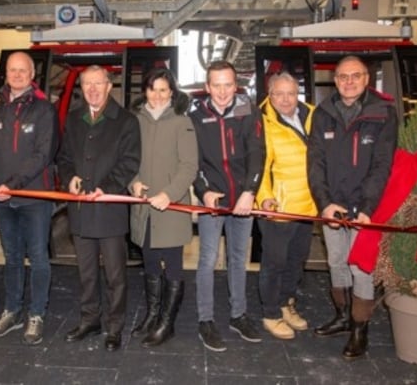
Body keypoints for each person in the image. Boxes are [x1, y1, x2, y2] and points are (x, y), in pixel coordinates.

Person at [307, 55, 397, 359]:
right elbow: (315, 162)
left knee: (361, 268)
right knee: (336, 261)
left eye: (355, 76)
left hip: (365, 209)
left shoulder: (383, 113)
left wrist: (368, 206)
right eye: (343, 76)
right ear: (334, 80)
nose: (349, 81)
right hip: (333, 206)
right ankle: (343, 315)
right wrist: (324, 203)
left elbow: (383, 165)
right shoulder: (322, 114)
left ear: (366, 79)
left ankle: (360, 328)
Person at [56, 65, 140, 352]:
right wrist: (69, 178)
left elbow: (130, 162)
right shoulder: (74, 120)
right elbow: (63, 158)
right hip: (80, 209)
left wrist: (109, 187)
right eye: (86, 84)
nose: (92, 89)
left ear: (108, 86)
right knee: (86, 272)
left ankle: (114, 327)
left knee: (115, 275)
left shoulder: (126, 121)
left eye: (97, 83)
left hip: (109, 208)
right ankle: (90, 320)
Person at [0, 51, 58, 345]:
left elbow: (42, 155)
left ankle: (36, 314)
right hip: (3, 198)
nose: (17, 75)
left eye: (22, 70)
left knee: (38, 257)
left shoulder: (43, 110)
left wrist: (11, 184)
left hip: (35, 196)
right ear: (6, 74)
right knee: (11, 257)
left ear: (32, 74)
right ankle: (11, 310)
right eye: (12, 70)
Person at [188, 60, 265, 352]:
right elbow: (193, 161)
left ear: (236, 85)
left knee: (238, 257)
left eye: (228, 85)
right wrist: (204, 191)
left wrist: (250, 191)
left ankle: (238, 314)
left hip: (243, 199)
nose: (222, 92)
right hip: (213, 199)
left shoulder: (248, 110)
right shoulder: (195, 115)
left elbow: (257, 152)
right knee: (207, 258)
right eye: (216, 85)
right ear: (207, 87)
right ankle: (205, 320)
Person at [129, 68, 197, 348]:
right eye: (152, 89)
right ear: (145, 91)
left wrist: (169, 194)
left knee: (172, 267)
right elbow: (128, 159)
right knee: (150, 263)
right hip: (144, 207)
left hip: (171, 208)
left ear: (172, 93)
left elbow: (189, 166)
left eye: (163, 90)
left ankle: (167, 323)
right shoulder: (135, 121)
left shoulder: (182, 122)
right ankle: (152, 314)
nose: (157, 96)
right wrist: (133, 183)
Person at [255, 72, 317, 340]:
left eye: (290, 93)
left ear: (298, 93)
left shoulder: (314, 115)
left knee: (296, 261)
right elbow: (258, 165)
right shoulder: (261, 122)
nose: (285, 99)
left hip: (309, 205)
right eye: (278, 93)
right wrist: (264, 198)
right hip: (278, 207)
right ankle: (270, 313)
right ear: (270, 94)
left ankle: (285, 303)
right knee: (274, 263)